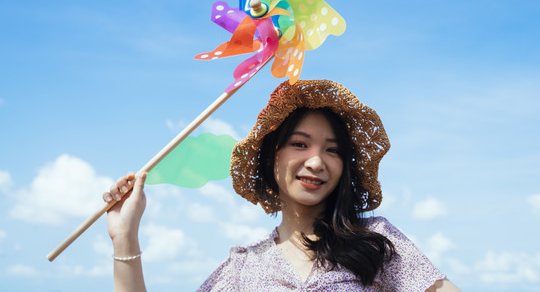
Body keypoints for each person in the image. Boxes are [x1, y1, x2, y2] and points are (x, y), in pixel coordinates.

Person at [104, 79, 461, 291]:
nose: (317, 161)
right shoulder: (243, 267)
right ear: (273, 157)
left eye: (332, 150)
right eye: (300, 144)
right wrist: (125, 235)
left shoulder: (376, 242)